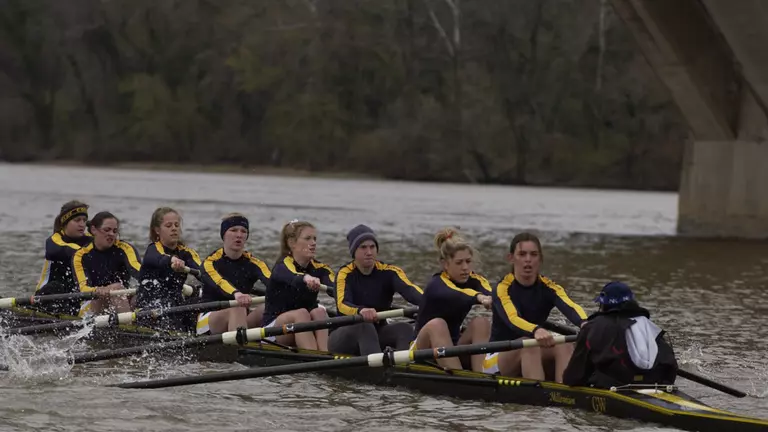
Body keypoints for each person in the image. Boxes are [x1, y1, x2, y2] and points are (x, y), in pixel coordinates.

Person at [484, 232, 587, 383]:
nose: (528, 260)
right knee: (529, 345)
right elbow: (513, 319)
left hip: (532, 348)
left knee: (563, 345)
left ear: (540, 259)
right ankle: (537, 403)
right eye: (522, 254)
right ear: (511, 258)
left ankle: (566, 396)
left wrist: (585, 323)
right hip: (497, 357)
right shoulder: (502, 288)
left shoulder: (549, 287)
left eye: (533, 254)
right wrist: (536, 330)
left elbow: (570, 306)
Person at [329, 224, 423, 355]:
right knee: (365, 326)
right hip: (345, 335)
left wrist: (429, 302)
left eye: (372, 247)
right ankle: (377, 371)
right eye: (363, 247)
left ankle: (402, 369)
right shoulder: (344, 274)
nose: (369, 252)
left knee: (405, 329)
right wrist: (361, 310)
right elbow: (342, 305)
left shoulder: (390, 272)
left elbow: (410, 290)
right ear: (354, 252)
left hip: (378, 331)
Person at [563, 281, 678, 388]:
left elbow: (573, 377)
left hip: (617, 384)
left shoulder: (593, 326)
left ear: (603, 305)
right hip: (657, 383)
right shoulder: (649, 325)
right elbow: (670, 368)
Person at [412, 228, 492, 371]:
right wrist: (479, 297)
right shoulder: (436, 285)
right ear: (445, 264)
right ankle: (460, 377)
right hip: (422, 349)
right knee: (438, 324)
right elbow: (457, 294)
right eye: (459, 263)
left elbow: (492, 293)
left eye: (468, 261)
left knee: (481, 322)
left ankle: (482, 376)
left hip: (452, 347)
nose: (465, 268)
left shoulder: (475, 280)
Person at [262, 220, 335, 351]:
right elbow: (293, 276)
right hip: (274, 330)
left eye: (314, 239)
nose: (313, 243)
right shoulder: (282, 265)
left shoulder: (320, 268)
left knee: (319, 311)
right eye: (307, 238)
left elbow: (336, 286)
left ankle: (324, 354)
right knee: (301, 313)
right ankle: (313, 356)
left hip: (301, 325)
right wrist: (306, 278)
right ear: (292, 243)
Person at [197, 213, 271, 335]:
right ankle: (241, 351)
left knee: (268, 308)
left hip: (240, 316)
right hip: (208, 320)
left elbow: (273, 282)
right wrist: (236, 294)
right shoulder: (210, 262)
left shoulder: (255, 263)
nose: (239, 235)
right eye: (233, 230)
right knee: (237, 308)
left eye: (243, 231)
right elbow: (220, 283)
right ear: (224, 235)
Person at [136, 207, 202, 331]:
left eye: (176, 225)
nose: (174, 228)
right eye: (168, 225)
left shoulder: (187, 252)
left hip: (175, 303)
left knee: (200, 299)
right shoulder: (153, 249)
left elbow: (203, 272)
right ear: (157, 230)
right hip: (150, 305)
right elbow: (159, 258)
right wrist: (172, 260)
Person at [73, 211, 142, 316]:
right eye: (107, 230)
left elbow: (140, 272)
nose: (112, 234)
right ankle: (128, 326)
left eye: (115, 231)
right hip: (92, 302)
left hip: (119, 299)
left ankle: (131, 324)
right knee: (117, 288)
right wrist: (100, 290)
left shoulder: (125, 249)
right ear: (93, 230)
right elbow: (83, 289)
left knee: (139, 295)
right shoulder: (81, 255)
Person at [35, 200, 93, 315]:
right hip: (48, 296)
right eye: (77, 220)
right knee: (56, 286)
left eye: (84, 221)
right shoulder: (54, 241)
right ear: (65, 222)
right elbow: (67, 251)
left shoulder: (90, 239)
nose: (82, 224)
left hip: (73, 296)